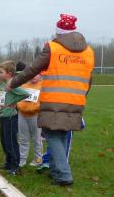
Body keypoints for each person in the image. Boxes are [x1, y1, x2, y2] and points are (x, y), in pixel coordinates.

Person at [10, 14, 94, 185]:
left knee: (51, 134)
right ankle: (55, 170)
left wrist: (13, 83)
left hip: (54, 99)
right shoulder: (89, 51)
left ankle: (63, 174)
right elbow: (89, 78)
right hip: (77, 99)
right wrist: (82, 96)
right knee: (62, 133)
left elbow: (32, 69)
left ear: (59, 33)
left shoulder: (53, 48)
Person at [0, 61, 30, 176]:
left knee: (11, 141)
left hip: (10, 118)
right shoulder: (3, 84)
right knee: (4, 141)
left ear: (9, 74)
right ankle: (8, 163)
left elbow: (25, 94)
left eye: (1, 72)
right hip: (3, 116)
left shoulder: (12, 84)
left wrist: (14, 102)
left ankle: (16, 166)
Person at [16, 72, 43, 167]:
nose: (34, 76)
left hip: (35, 116)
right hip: (22, 115)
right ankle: (22, 160)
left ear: (40, 75)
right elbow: (18, 98)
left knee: (36, 139)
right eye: (32, 74)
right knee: (23, 138)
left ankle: (38, 159)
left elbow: (44, 101)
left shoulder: (43, 87)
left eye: (36, 74)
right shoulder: (23, 86)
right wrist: (19, 106)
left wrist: (35, 108)